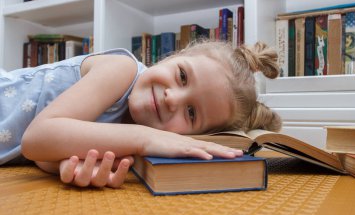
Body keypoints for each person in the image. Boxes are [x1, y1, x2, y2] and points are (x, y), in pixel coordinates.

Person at [0, 40, 282, 188]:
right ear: (172, 56)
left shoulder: (130, 133)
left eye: (192, 113)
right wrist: (142, 138)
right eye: (182, 76)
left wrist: (66, 165)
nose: (173, 98)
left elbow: (43, 152)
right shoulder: (121, 69)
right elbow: (37, 138)